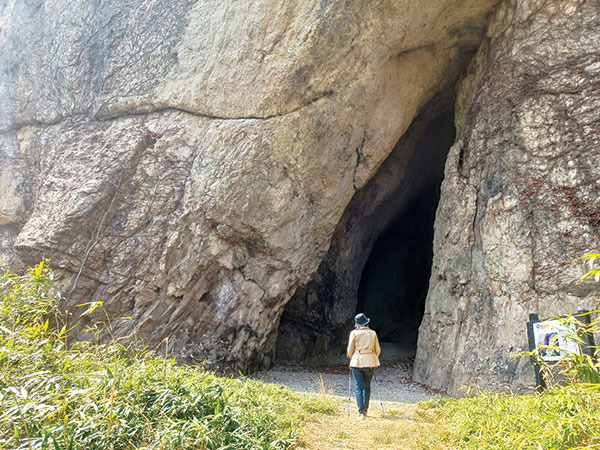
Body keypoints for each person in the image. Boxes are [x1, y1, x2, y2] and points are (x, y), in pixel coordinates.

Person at [347, 313, 381, 419]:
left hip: (357, 362)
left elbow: (350, 350)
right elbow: (378, 350)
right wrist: (373, 358)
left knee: (359, 387)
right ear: (366, 323)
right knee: (367, 387)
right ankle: (366, 410)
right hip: (370, 362)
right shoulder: (373, 333)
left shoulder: (354, 333)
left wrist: (350, 356)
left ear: (358, 324)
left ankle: (361, 412)